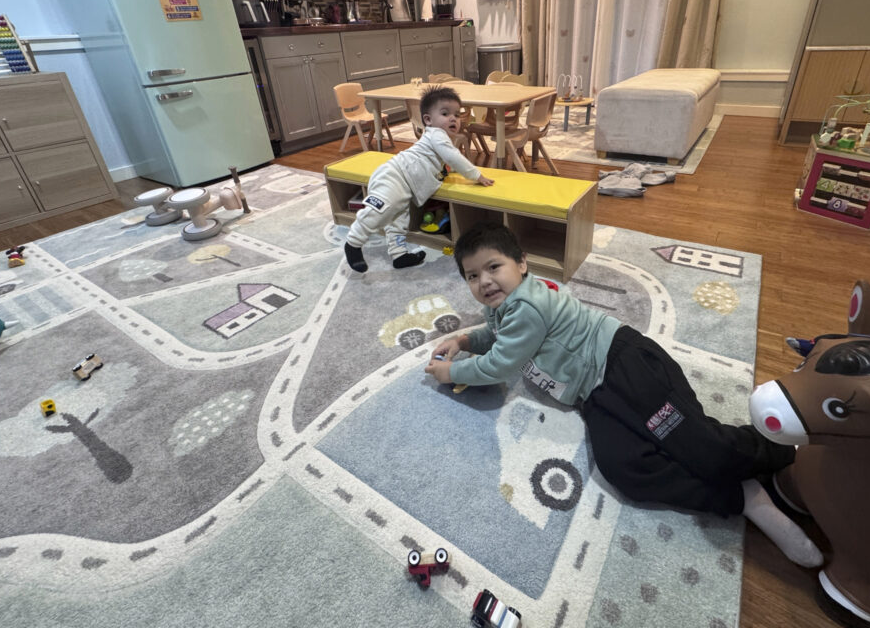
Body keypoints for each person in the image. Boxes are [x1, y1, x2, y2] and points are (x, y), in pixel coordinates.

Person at [425, 221, 823, 568]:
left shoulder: (527, 304)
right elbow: (496, 337)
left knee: (700, 446)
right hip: (594, 394)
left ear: (522, 264)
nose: (485, 282)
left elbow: (500, 365)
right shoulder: (505, 306)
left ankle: (795, 456)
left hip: (624, 363)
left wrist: (449, 373)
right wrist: (465, 339)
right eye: (472, 276)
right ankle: (743, 496)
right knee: (625, 470)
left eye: (494, 267)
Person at [344, 86, 494, 272]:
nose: (453, 118)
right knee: (380, 211)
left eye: (457, 114)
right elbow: (452, 156)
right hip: (394, 176)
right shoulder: (437, 134)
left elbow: (444, 160)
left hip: (405, 182)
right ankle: (353, 243)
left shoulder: (439, 137)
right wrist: (476, 175)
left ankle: (399, 255)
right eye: (445, 113)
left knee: (398, 220)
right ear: (428, 120)